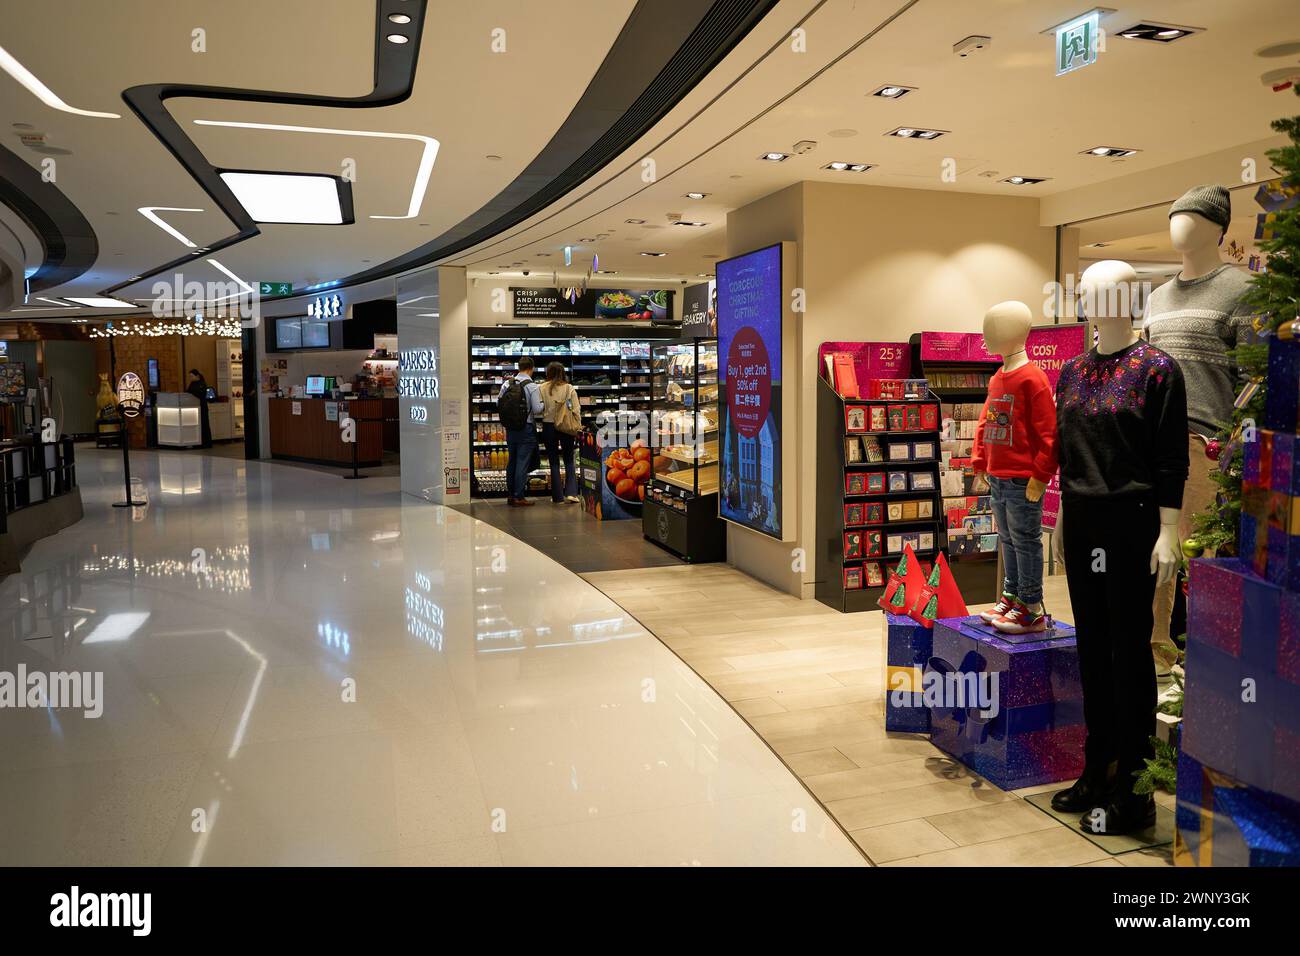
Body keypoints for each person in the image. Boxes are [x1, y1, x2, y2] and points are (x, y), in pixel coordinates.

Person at [497, 357, 542, 506]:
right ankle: (518, 496)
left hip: (511, 428)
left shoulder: (507, 383)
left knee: (512, 461)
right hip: (526, 428)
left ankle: (511, 495)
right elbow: (537, 409)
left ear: (518, 367)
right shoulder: (532, 386)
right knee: (522, 463)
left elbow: (499, 403)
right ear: (532, 368)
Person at [539, 361, 580, 503]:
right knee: (569, 459)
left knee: (553, 461)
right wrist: (577, 425)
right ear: (563, 373)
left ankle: (557, 496)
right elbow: (576, 409)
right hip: (566, 426)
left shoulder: (542, 388)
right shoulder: (569, 388)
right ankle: (571, 493)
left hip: (549, 426)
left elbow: (539, 408)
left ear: (548, 373)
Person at [185, 368, 212, 448]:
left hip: (202, 407)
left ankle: (205, 443)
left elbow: (199, 393)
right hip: (195, 407)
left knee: (204, 424)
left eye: (192, 376)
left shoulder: (202, 384)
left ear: (197, 376)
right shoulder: (192, 383)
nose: (191, 378)